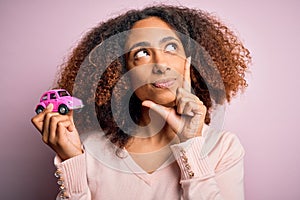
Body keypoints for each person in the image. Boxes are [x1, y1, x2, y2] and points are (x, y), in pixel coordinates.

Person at [31, 4, 251, 200]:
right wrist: (72, 161)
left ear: (191, 62)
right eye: (143, 53)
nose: (161, 64)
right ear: (121, 75)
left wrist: (191, 145)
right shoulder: (88, 149)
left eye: (171, 47)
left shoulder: (223, 147)